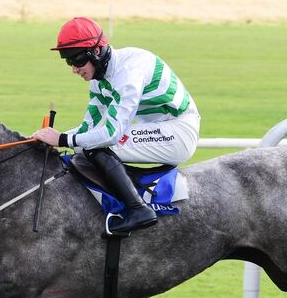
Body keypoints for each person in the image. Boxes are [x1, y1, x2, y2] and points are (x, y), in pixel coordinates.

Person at [33, 17, 201, 234]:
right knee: (87, 145)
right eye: (68, 62)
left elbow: (110, 134)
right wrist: (53, 137)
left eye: (76, 60)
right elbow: (88, 129)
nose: (74, 69)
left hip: (179, 132)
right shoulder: (99, 79)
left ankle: (139, 210)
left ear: (95, 52)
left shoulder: (127, 73)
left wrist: (62, 139)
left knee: (96, 146)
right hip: (162, 128)